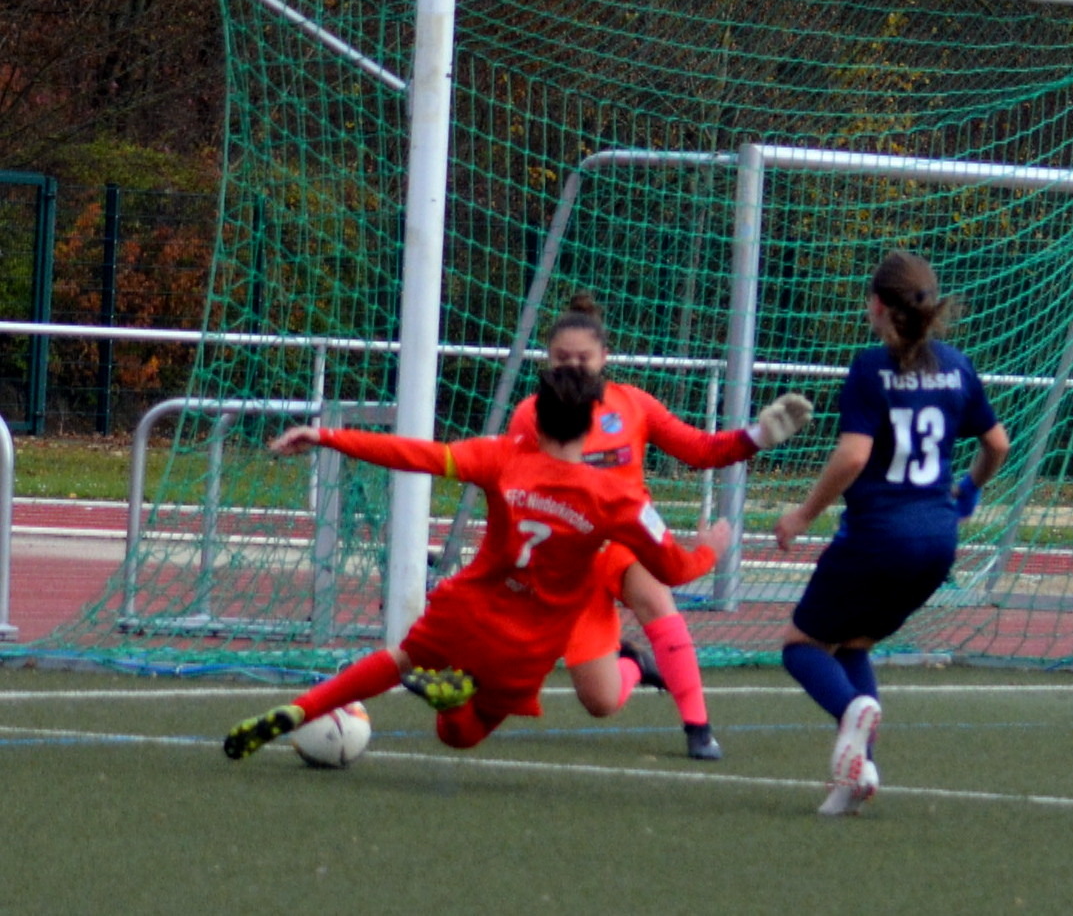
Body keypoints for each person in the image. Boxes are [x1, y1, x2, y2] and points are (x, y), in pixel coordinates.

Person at [222, 365, 730, 760]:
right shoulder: (618, 500)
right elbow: (675, 571)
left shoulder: (501, 457)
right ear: (592, 419)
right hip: (526, 645)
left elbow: (416, 454)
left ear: (537, 414)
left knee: (401, 660)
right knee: (458, 736)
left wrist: (329, 437)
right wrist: (711, 547)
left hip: (466, 608)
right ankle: (456, 701)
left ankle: (304, 707)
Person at [504, 294, 813, 760]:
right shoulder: (529, 415)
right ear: (547, 361)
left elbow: (701, 449)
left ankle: (698, 727)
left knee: (656, 602)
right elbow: (512, 487)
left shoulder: (632, 405)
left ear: (604, 358)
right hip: (568, 564)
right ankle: (632, 664)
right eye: (561, 358)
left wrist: (759, 435)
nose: (572, 366)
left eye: (582, 358)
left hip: (627, 542)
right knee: (602, 702)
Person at [773, 250, 1010, 816]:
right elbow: (997, 444)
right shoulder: (958, 365)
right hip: (937, 542)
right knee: (854, 642)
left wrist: (802, 515)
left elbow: (853, 457)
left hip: (878, 537)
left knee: (799, 646)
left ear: (877, 306)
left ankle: (853, 714)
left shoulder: (869, 368)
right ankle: (859, 777)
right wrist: (969, 492)